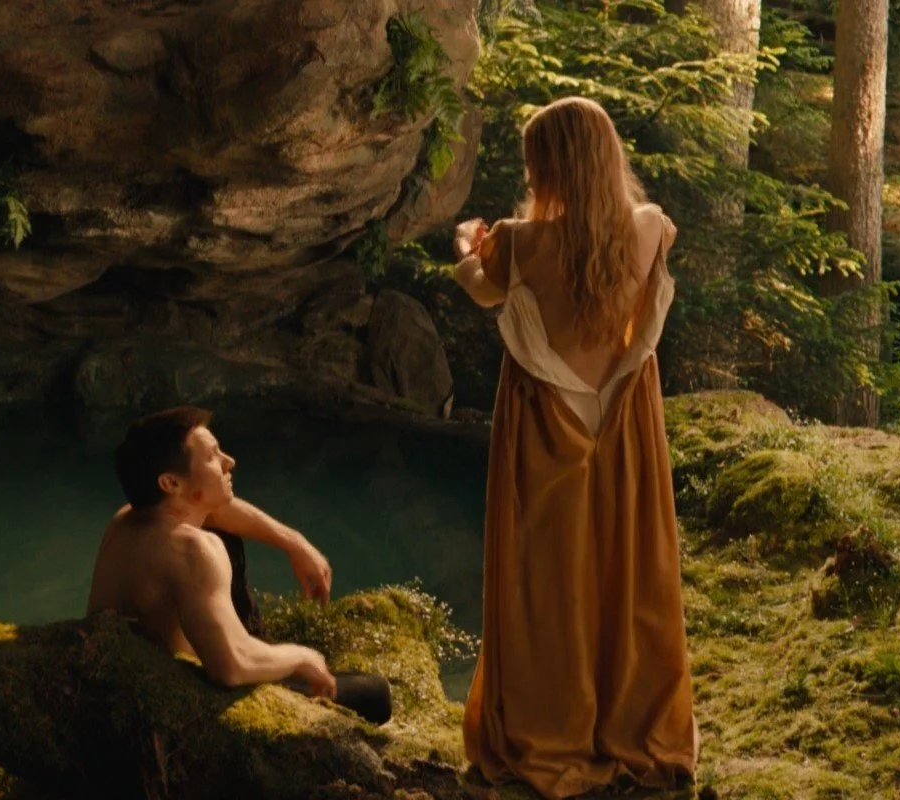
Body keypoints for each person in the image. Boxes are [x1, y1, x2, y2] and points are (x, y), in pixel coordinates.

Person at [450, 96, 697, 798]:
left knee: (546, 583)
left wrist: (466, 247)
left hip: (544, 423)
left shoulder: (518, 243)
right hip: (622, 423)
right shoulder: (650, 229)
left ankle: (550, 728)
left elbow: (481, 292)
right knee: (628, 572)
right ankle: (634, 723)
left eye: (535, 161)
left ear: (551, 166)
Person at [85, 406, 391, 725]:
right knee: (375, 693)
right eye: (212, 457)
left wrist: (294, 542)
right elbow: (231, 666)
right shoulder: (191, 550)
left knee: (223, 531)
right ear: (171, 483)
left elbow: (217, 509)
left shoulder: (128, 518)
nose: (229, 461)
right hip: (187, 693)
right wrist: (302, 658)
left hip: (125, 679)